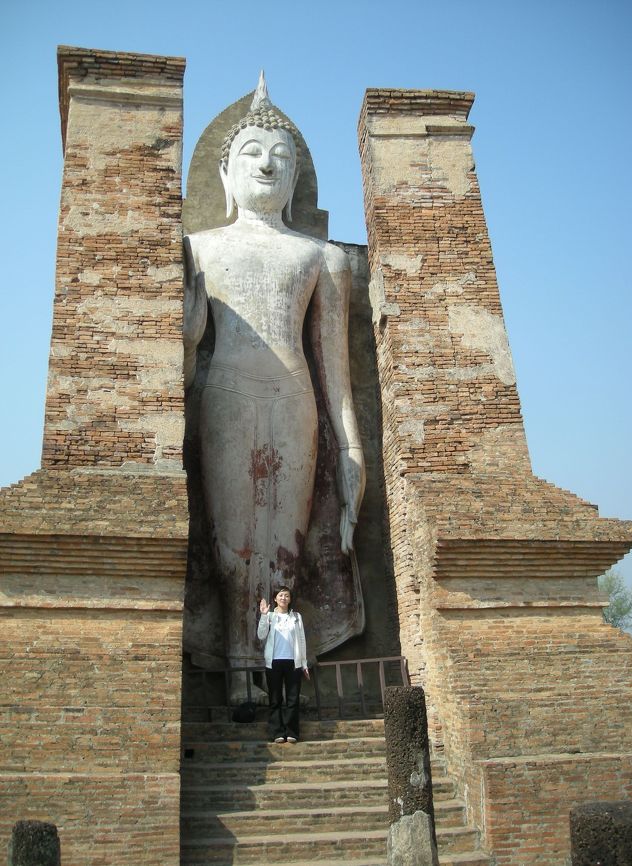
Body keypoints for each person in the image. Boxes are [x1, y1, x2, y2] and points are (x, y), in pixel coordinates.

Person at [183, 73, 365, 702]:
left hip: (295, 401)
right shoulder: (197, 248)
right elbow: (184, 353)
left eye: (281, 157)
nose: (268, 164)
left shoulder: (322, 259)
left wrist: (352, 448)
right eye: (252, 154)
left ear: (295, 181)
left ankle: (276, 670)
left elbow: (334, 370)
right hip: (227, 396)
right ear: (225, 174)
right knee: (232, 538)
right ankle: (240, 669)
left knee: (283, 539)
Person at [257, 586, 309, 743]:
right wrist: (264, 616)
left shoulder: (296, 617)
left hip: (294, 663)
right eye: (280, 595)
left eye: (286, 595)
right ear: (275, 598)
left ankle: (292, 732)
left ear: (290, 599)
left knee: (293, 699)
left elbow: (302, 640)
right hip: (274, 663)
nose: (283, 598)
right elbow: (261, 635)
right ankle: (277, 732)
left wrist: (304, 664)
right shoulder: (271, 616)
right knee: (275, 698)